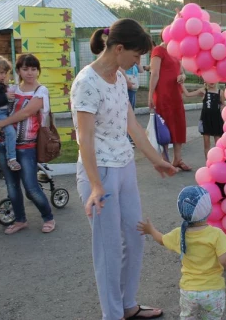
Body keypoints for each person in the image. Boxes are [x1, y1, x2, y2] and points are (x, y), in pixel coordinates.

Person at [71, 19, 177, 320]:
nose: (138, 62)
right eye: (136, 55)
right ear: (118, 48)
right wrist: (95, 185)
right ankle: (113, 314)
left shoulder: (118, 77)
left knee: (135, 236)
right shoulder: (86, 83)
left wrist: (156, 159)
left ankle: (128, 304)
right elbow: (85, 137)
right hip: (100, 172)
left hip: (124, 166)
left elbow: (130, 124)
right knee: (109, 250)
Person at [137, 186, 226, 320]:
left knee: (188, 317)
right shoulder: (215, 234)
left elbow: (161, 240)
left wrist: (151, 230)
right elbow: (225, 259)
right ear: (208, 209)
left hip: (188, 291)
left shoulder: (179, 233)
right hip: (212, 291)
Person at [0, 54, 56, 235]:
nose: (30, 73)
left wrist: (1, 124)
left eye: (33, 69)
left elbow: (27, 112)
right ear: (18, 70)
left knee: (31, 187)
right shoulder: (11, 89)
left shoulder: (40, 91)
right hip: (3, 143)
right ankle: (20, 220)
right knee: (12, 186)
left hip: (26, 147)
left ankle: (48, 216)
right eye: (25, 69)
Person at [148, 41, 191, 171]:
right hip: (163, 95)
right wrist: (150, 95)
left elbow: (182, 71)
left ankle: (177, 159)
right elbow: (154, 73)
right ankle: (165, 160)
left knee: (179, 124)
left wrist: (182, 77)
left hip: (176, 95)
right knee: (164, 127)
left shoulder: (176, 52)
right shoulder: (158, 51)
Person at [192, 82, 225, 159]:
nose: (211, 82)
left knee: (218, 144)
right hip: (205, 119)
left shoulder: (220, 92)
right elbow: (188, 94)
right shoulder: (203, 91)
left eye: (213, 80)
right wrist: (181, 84)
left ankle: (219, 161)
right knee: (206, 144)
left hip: (217, 120)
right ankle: (208, 162)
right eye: (209, 80)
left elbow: (223, 104)